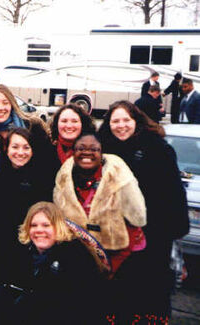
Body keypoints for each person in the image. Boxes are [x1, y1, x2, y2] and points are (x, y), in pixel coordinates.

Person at [98, 100, 190, 320]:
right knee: (118, 299)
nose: (121, 126)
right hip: (115, 238)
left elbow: (173, 195)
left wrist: (169, 232)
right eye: (115, 121)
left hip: (152, 238)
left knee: (149, 297)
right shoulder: (104, 150)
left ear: (136, 121)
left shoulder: (158, 149)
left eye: (125, 120)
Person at [53, 132, 147, 322]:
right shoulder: (64, 180)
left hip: (120, 264)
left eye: (93, 149)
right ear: (73, 152)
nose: (87, 153)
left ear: (101, 152)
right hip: (79, 266)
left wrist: (112, 267)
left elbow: (135, 226)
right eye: (81, 148)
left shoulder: (118, 179)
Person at [5, 202, 105, 324]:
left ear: (58, 227)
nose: (39, 230)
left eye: (46, 225)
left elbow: (84, 304)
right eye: (33, 225)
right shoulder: (24, 253)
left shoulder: (75, 255)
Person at [0, 127, 57, 276]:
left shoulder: (42, 178)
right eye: (15, 147)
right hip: (5, 245)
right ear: (6, 149)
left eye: (26, 147)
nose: (20, 152)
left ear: (32, 150)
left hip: (32, 243)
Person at [0, 84, 47, 211]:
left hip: (30, 204)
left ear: (12, 105)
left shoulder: (32, 127)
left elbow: (43, 168)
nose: (0, 108)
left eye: (5, 103)